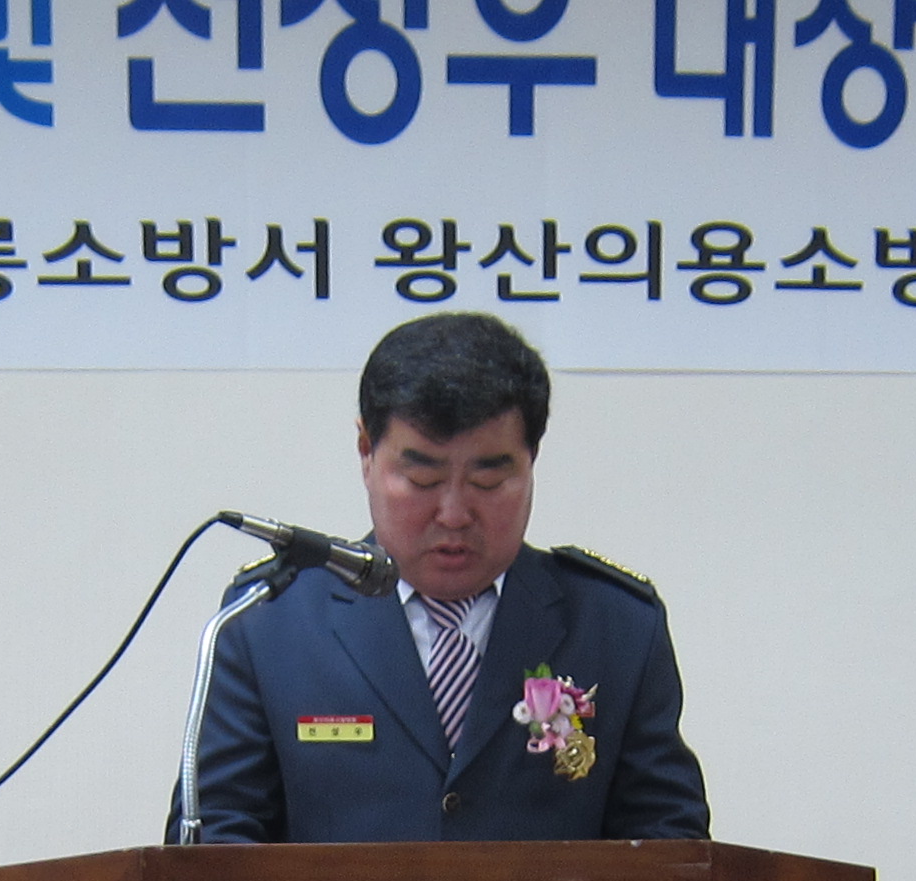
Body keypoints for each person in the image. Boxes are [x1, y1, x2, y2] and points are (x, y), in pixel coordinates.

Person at [180, 314, 711, 844]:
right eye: (423, 478)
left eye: (489, 479)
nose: (454, 514)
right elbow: (213, 841)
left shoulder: (617, 627)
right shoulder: (269, 621)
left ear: (532, 459)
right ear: (366, 451)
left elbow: (672, 846)